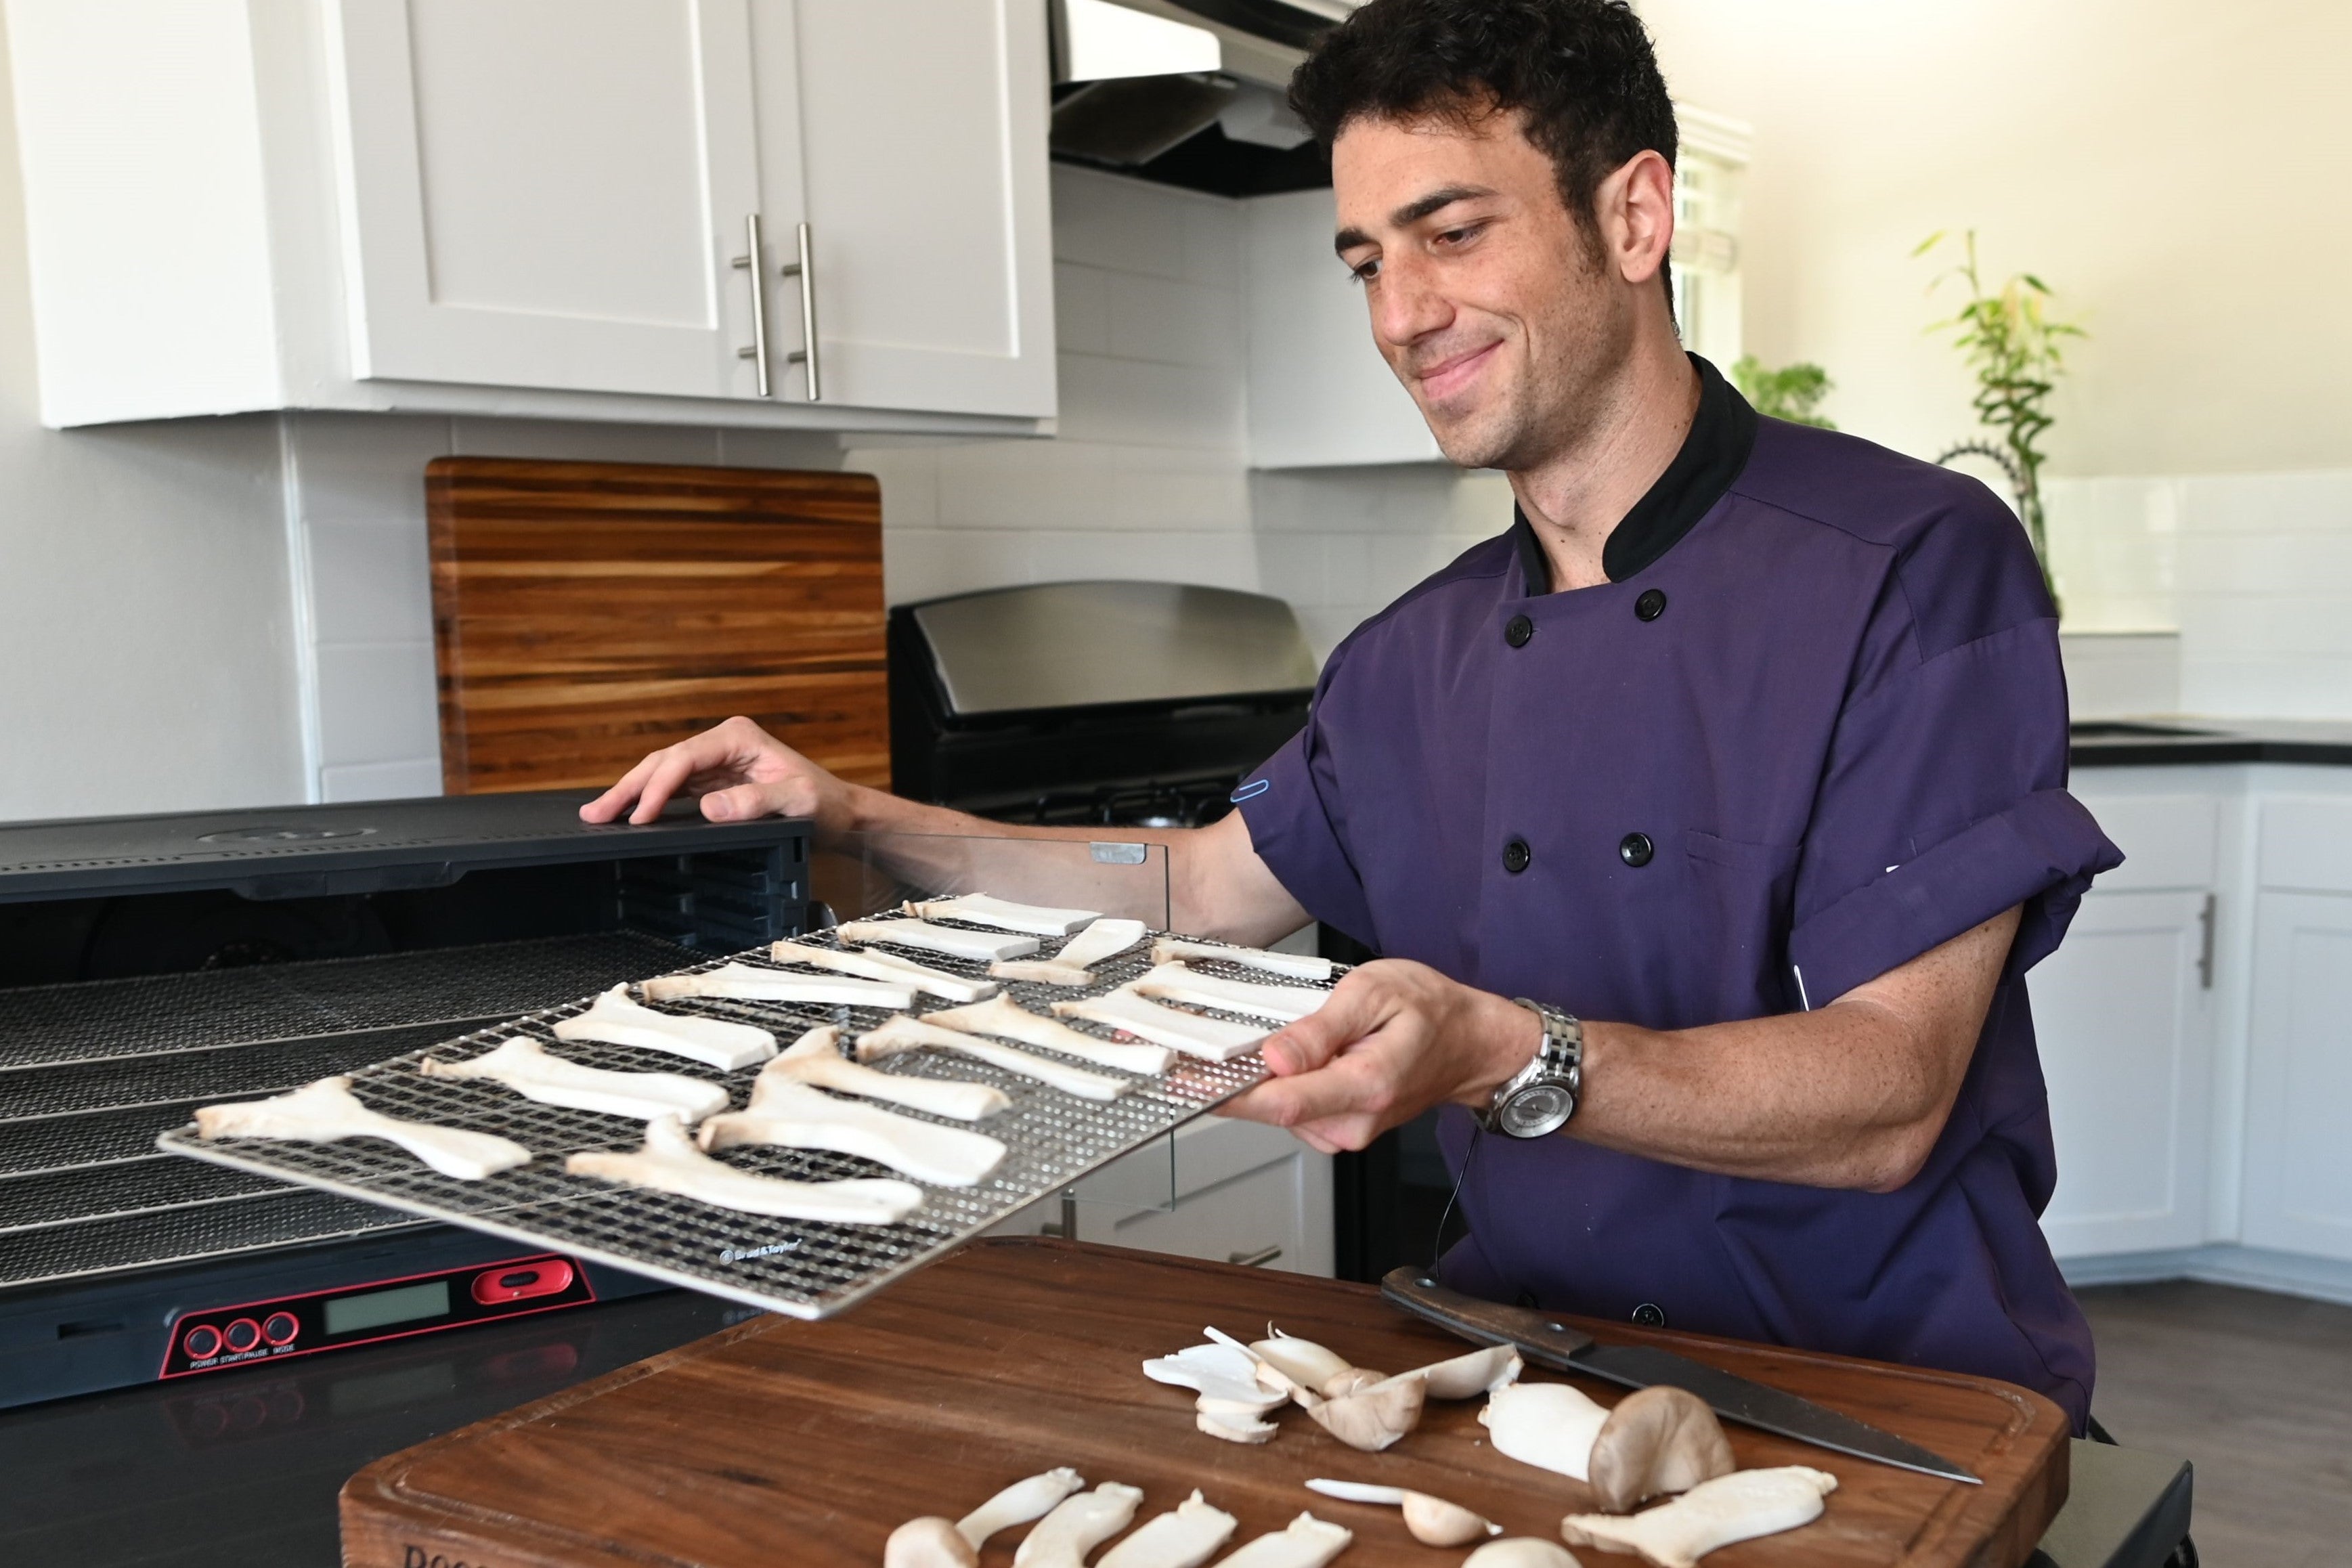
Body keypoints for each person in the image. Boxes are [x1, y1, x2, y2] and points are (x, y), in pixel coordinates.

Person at [582, 0, 2120, 1429]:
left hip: (1884, 1403)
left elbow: (1890, 1095)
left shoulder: (1909, 565)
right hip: (1532, 1387)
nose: (1402, 312)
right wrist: (853, 814)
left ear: (1634, 217)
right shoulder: (1412, 657)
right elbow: (1191, 891)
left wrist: (1506, 1054)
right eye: (1367, 260)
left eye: (1452, 233)